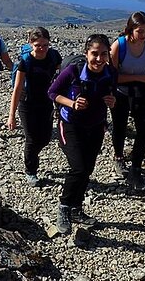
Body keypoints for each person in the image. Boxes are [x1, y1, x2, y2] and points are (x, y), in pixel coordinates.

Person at [48, 33, 117, 234]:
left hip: (96, 126)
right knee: (78, 167)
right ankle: (64, 208)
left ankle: (77, 209)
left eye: (103, 54)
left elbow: (112, 95)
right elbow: (52, 92)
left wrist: (113, 101)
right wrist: (72, 103)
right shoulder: (73, 71)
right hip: (70, 124)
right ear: (86, 53)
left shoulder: (110, 73)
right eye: (94, 54)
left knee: (87, 169)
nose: (99, 59)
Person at [109, 11, 145, 191]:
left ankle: (136, 168)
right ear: (130, 30)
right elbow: (112, 77)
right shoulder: (119, 46)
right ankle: (118, 157)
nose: (144, 35)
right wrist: (139, 78)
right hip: (121, 93)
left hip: (142, 92)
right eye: (140, 31)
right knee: (120, 126)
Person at [7, 27, 62, 187]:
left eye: (45, 45)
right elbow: (17, 88)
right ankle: (31, 170)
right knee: (32, 139)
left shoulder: (53, 56)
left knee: (45, 138)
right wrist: (11, 116)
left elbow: (61, 76)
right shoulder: (26, 61)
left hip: (46, 102)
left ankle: (30, 156)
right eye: (38, 45)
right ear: (31, 43)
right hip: (27, 103)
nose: (42, 49)